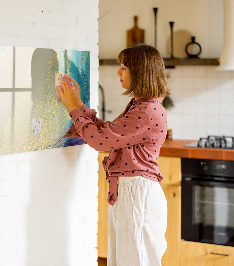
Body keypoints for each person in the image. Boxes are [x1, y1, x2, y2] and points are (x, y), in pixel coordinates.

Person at [57, 44, 169, 266]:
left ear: (140, 72)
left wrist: (72, 108)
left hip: (137, 195)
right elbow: (107, 133)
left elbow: (100, 141)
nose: (118, 72)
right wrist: (78, 103)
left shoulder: (146, 111)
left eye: (124, 67)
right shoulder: (142, 106)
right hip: (132, 193)